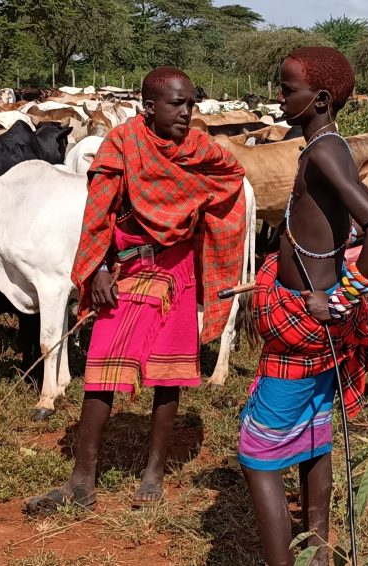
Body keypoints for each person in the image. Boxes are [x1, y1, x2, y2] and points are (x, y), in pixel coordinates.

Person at [24, 66, 246, 515]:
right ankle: (81, 479)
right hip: (126, 268)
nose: (186, 112)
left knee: (168, 373)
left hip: (176, 267)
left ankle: (154, 473)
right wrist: (100, 269)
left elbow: (230, 178)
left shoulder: (200, 149)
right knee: (102, 367)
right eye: (176, 103)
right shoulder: (122, 144)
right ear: (148, 106)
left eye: (191, 104)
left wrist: (200, 223)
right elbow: (99, 211)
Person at [239, 46, 368, 566]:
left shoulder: (324, 152)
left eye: (287, 89)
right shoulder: (323, 146)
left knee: (258, 454)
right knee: (314, 434)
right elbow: (361, 221)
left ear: (318, 100)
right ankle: (318, 554)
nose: (278, 97)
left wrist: (341, 297)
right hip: (316, 320)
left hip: (306, 321)